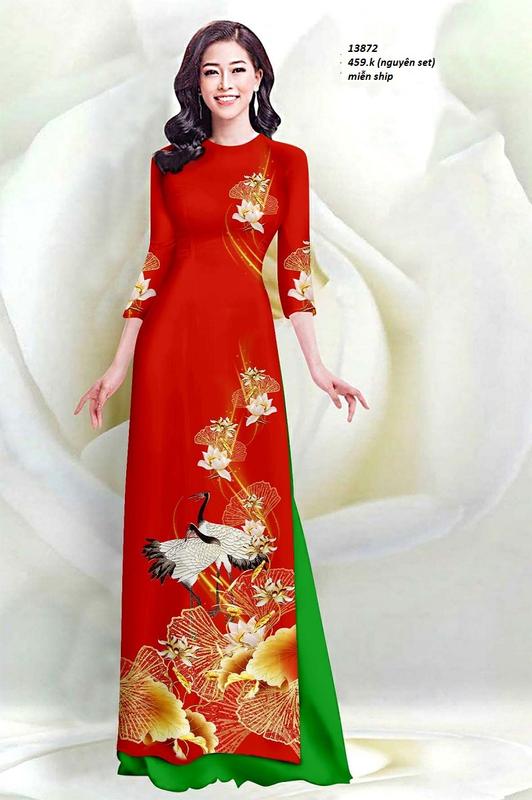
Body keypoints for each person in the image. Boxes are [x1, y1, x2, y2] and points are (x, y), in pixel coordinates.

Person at [75, 19, 368, 793]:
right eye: (212, 71)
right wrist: (117, 364)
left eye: (238, 69)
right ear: (195, 83)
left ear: (259, 77)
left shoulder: (286, 162)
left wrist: (318, 365)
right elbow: (155, 262)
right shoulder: (169, 164)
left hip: (244, 365)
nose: (226, 84)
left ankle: (254, 728)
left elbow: (294, 271)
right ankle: (170, 734)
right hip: (169, 357)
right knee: (168, 515)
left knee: (249, 522)